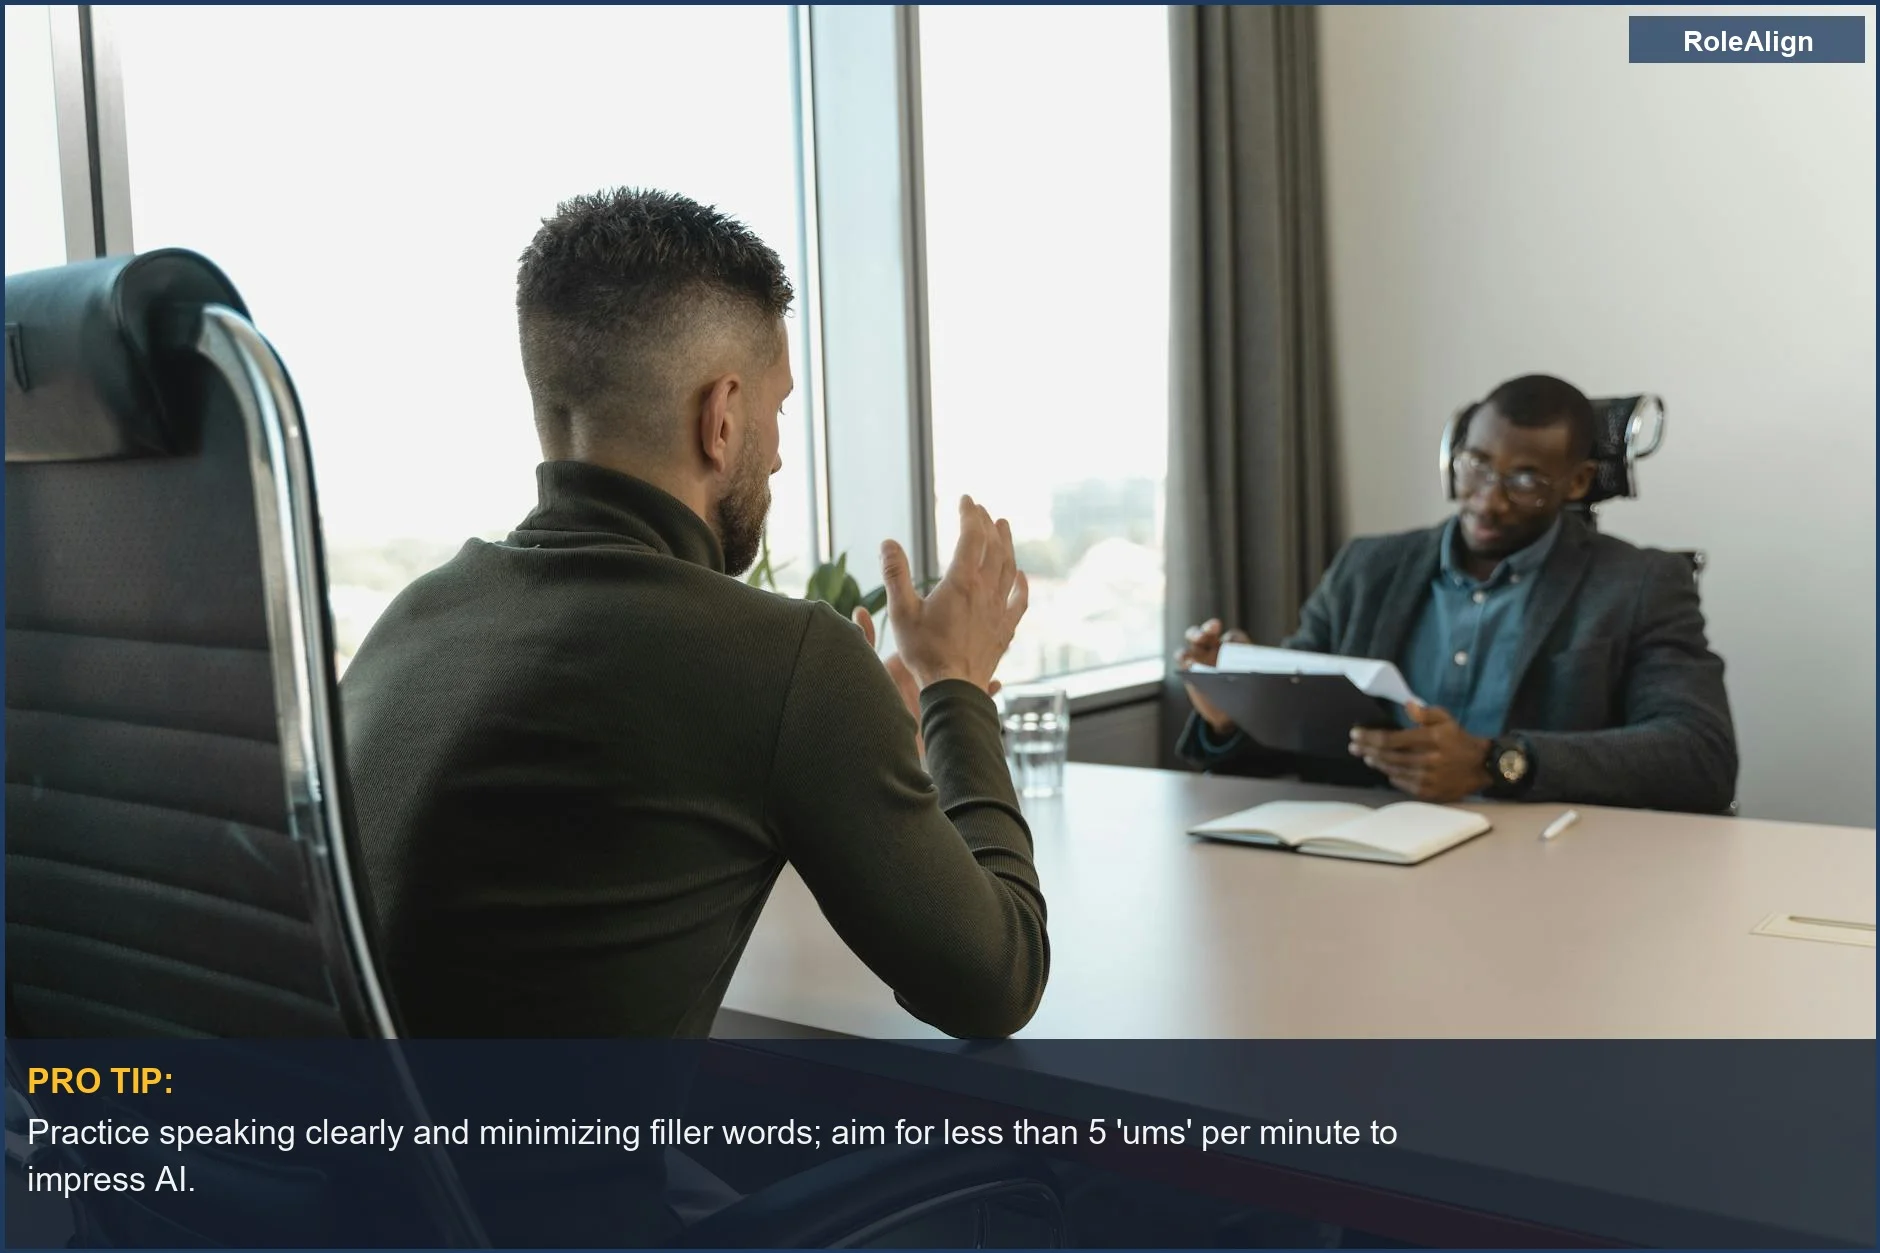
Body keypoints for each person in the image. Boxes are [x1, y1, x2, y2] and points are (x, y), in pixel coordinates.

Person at [341, 188, 1046, 1044]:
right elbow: (997, 982)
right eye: (778, 408)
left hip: (358, 1170)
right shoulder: (778, 658)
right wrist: (955, 686)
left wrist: (852, 744)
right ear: (721, 418)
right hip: (576, 1181)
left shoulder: (411, 619)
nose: (780, 449)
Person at [1177, 374, 1737, 814]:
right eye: (1477, 466)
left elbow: (1700, 755)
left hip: (1549, 869)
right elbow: (1294, 737)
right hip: (1365, 858)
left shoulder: (1640, 584)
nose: (1488, 501)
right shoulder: (1366, 568)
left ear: (1578, 483)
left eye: (1524, 480)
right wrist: (1234, 705)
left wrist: (1497, 763)